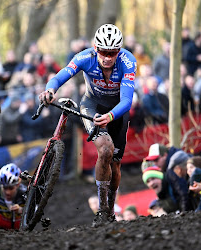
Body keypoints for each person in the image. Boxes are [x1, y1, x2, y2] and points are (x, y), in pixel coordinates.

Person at [39, 24, 137, 227]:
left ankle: (111, 208)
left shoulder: (128, 61)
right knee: (105, 150)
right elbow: (61, 75)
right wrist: (50, 90)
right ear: (95, 48)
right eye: (103, 52)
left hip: (117, 111)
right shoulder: (85, 57)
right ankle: (102, 210)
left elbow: (127, 101)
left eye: (112, 53)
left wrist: (111, 116)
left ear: (118, 51)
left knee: (116, 164)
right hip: (92, 105)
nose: (108, 57)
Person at [0, 163, 26, 230]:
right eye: (5, 188)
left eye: (11, 188)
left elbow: (36, 210)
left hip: (20, 230)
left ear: (17, 185)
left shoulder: (25, 193)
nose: (7, 192)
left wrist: (21, 210)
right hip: (0, 228)